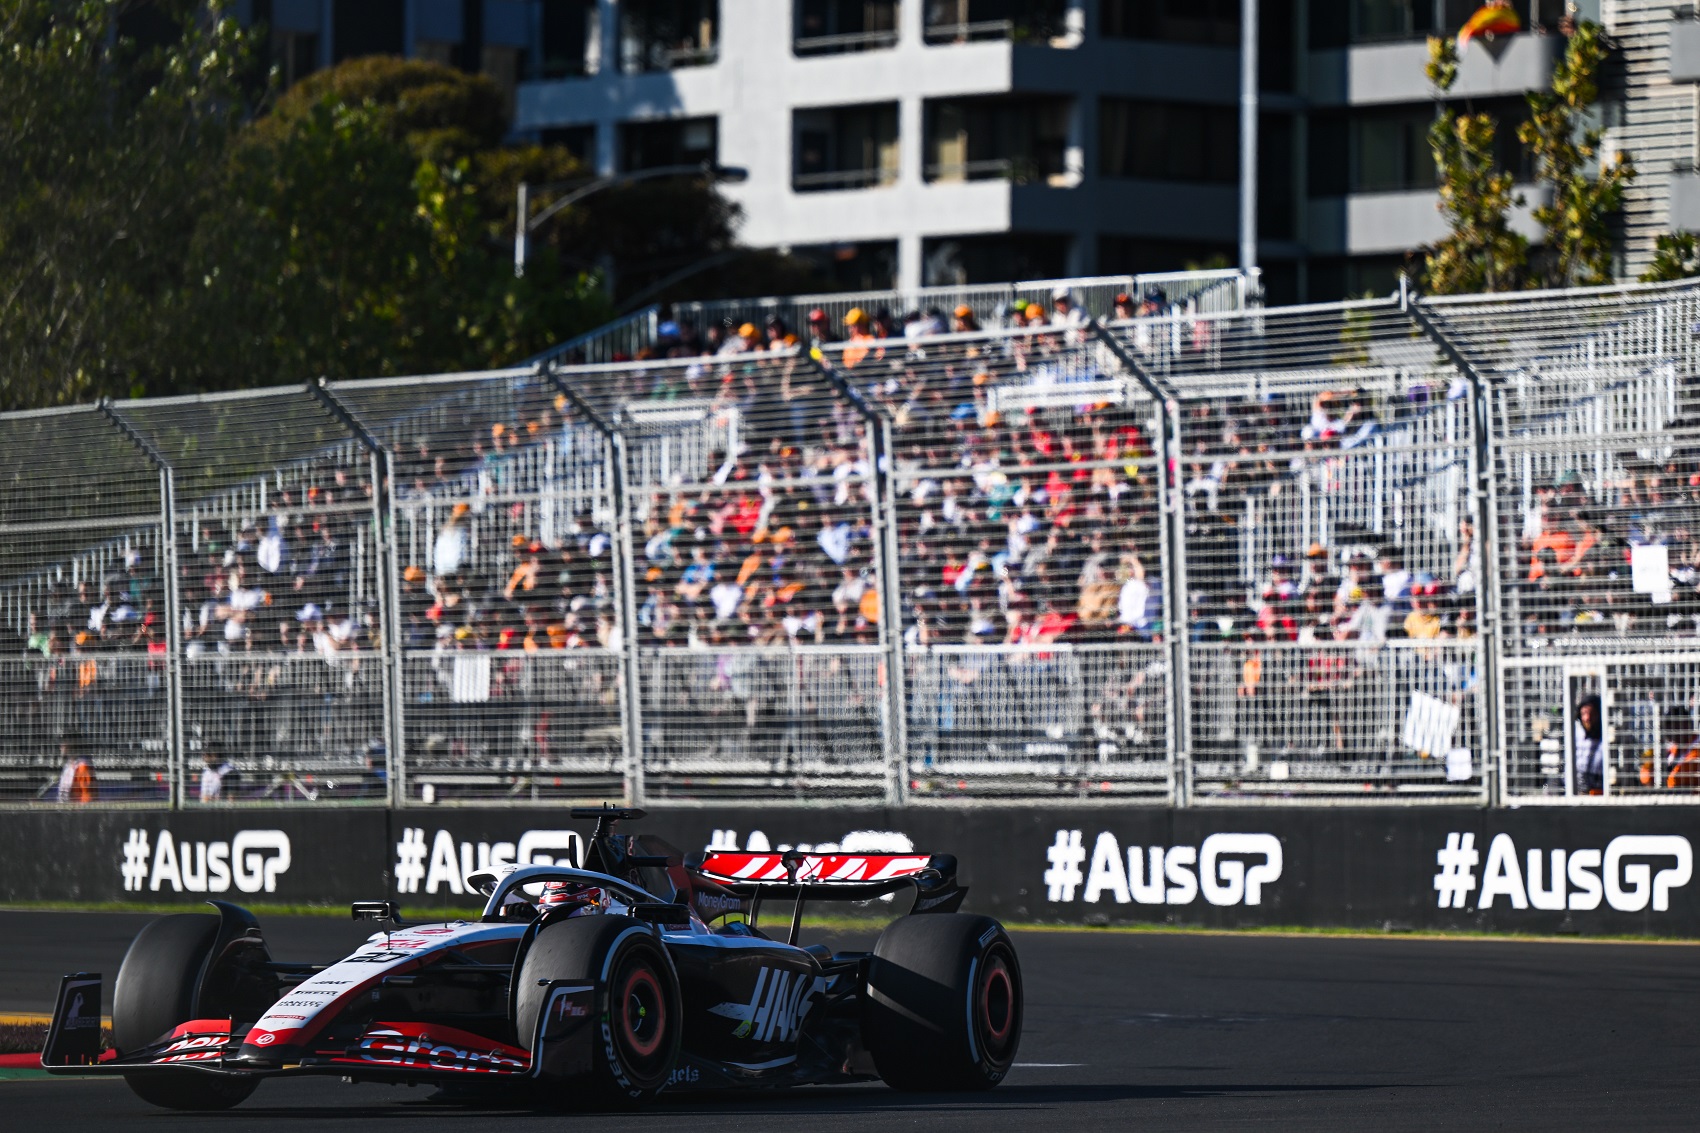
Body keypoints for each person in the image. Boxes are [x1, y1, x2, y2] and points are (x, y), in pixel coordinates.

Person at [1574, 694, 1605, 794]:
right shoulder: (1575, 736)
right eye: (1584, 713)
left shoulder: (1606, 740)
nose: (1587, 718)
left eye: (1592, 714)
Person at [55, 732, 93, 804]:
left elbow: (87, 796)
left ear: (71, 744)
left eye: (63, 742)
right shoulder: (67, 766)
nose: (60, 746)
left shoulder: (82, 767)